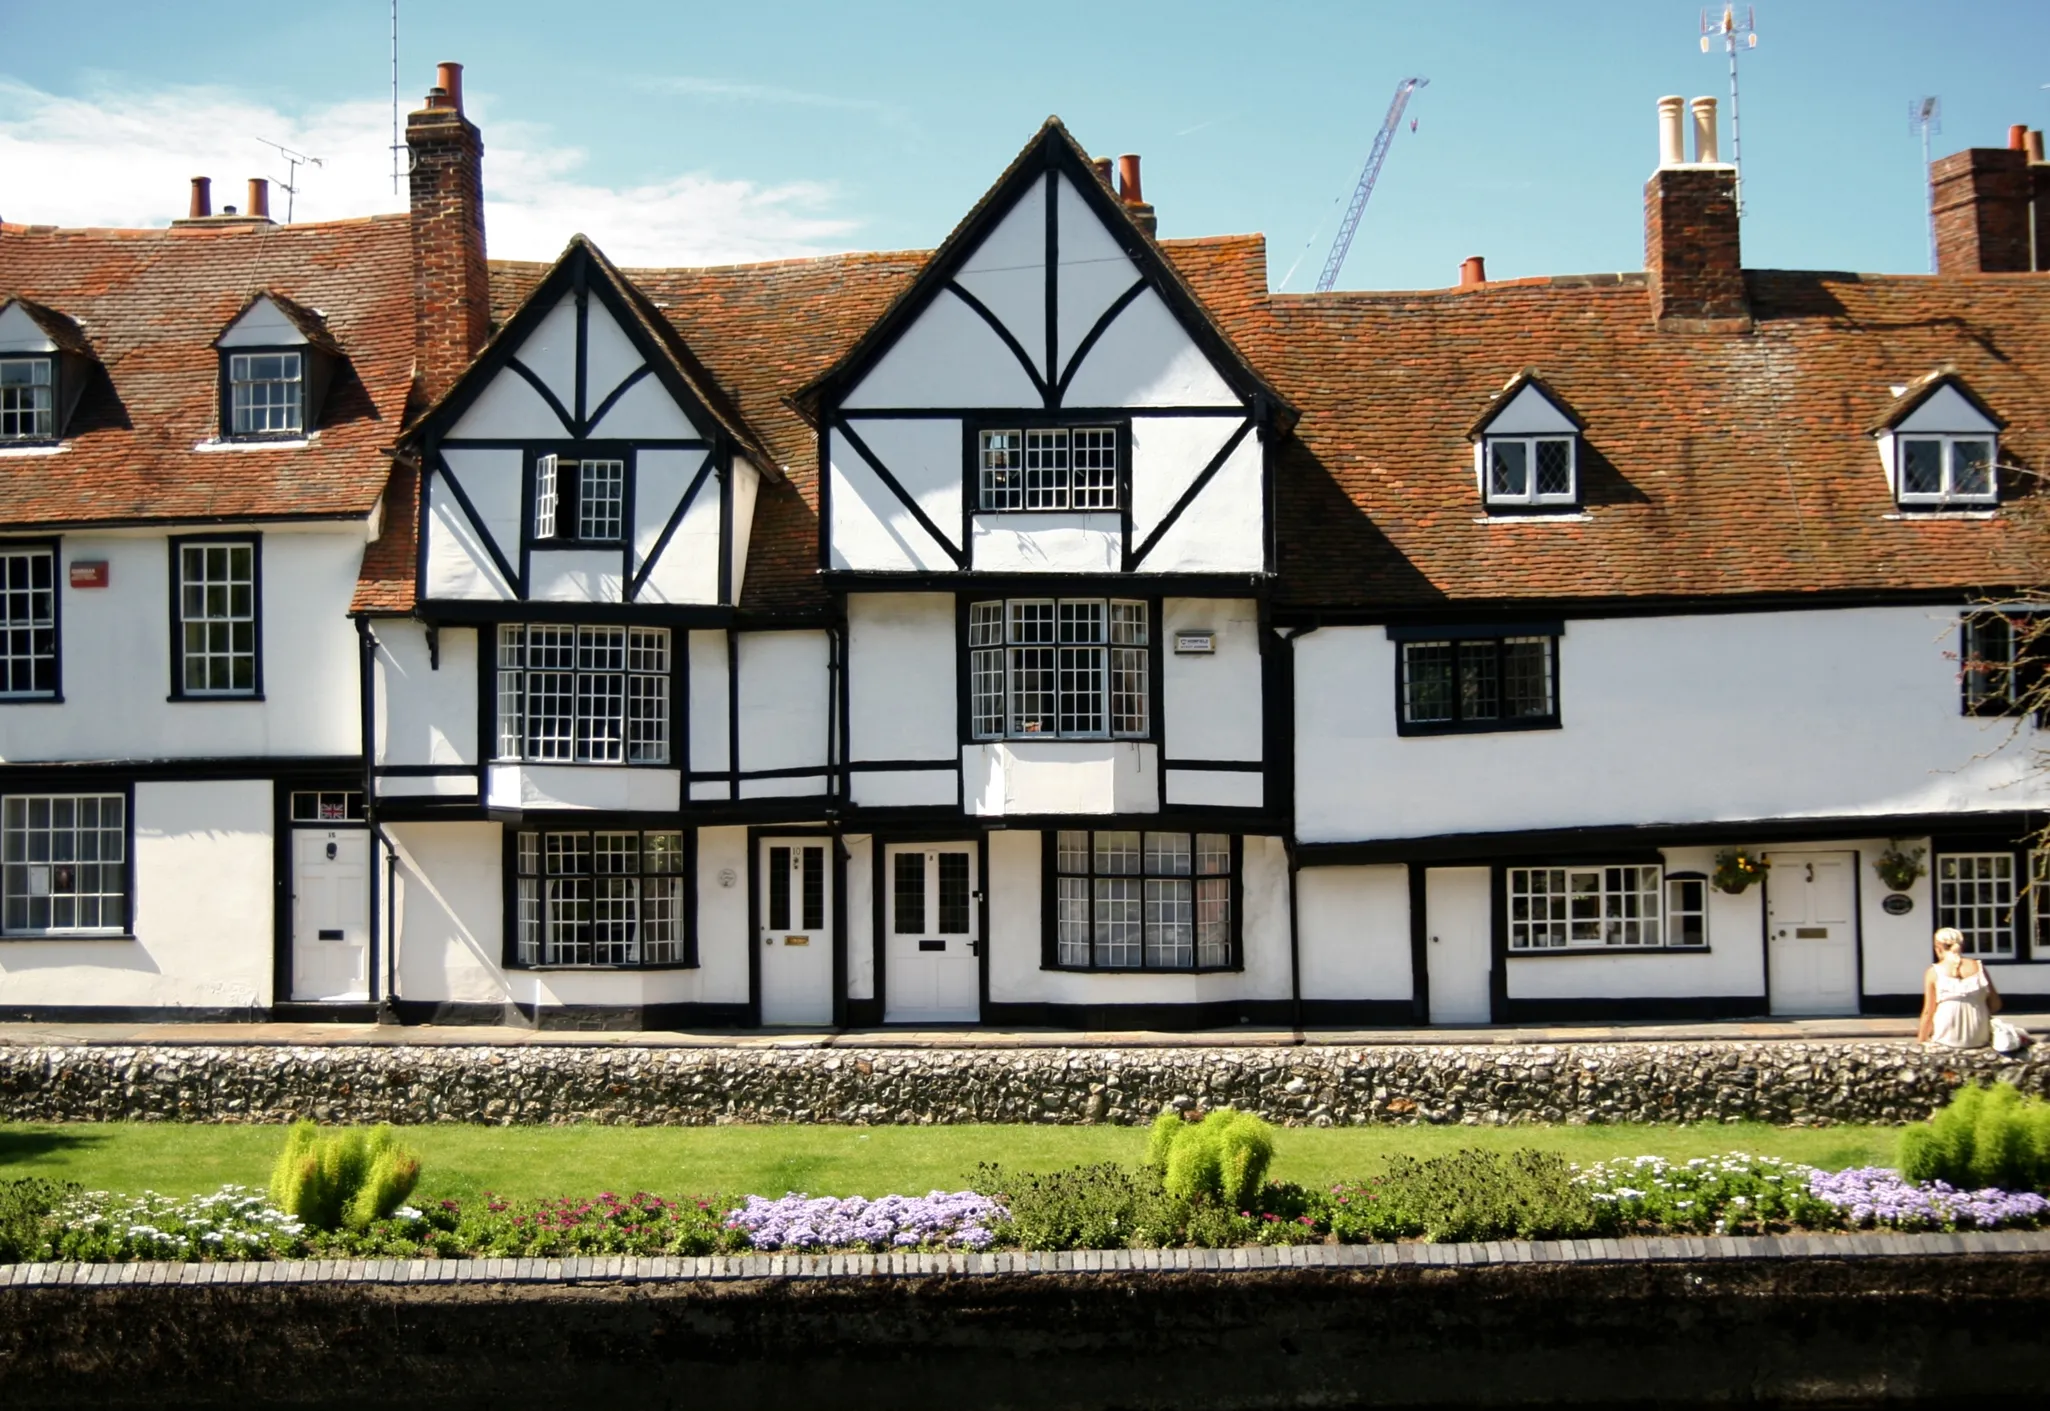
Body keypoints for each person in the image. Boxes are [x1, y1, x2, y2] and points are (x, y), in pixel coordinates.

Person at [1917, 926, 2001, 1049]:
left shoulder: (1933, 972)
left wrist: (1921, 1040)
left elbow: (1928, 1012)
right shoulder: (1979, 968)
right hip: (1978, 1038)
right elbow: (1995, 1004)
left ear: (1938, 948)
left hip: (1946, 1037)